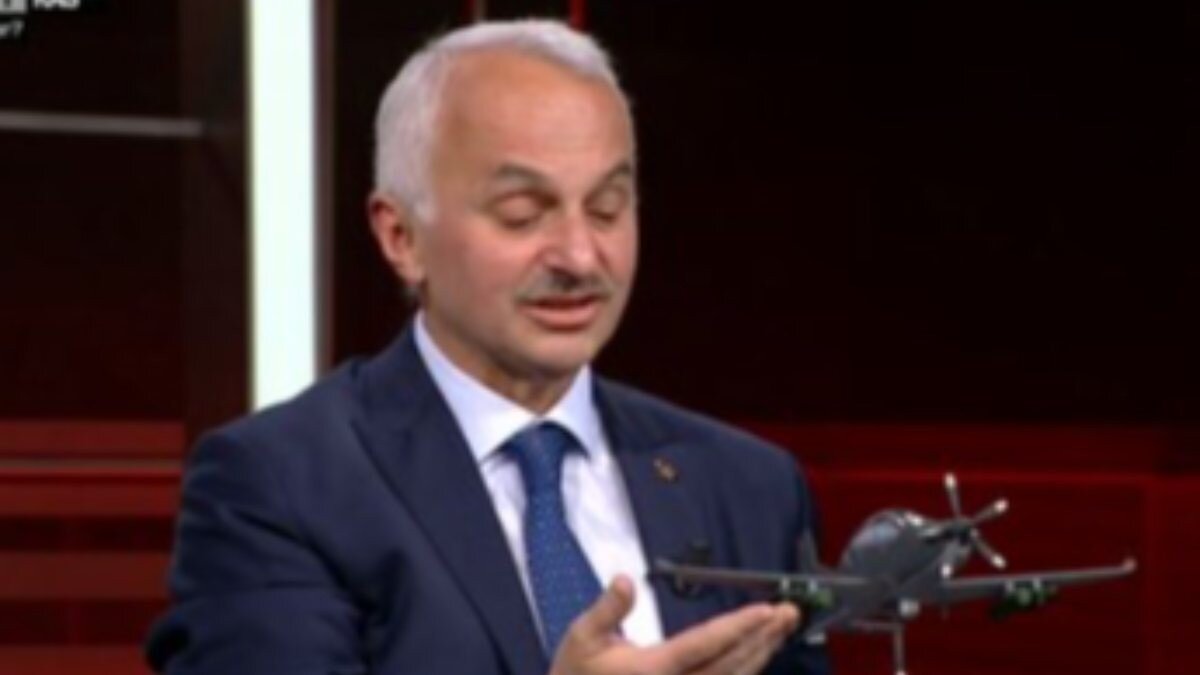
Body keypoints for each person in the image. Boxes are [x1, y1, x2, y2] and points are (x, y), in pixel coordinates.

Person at [145, 19, 831, 675]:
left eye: (607, 208)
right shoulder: (279, 486)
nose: (579, 255)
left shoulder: (751, 487)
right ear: (401, 237)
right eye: (522, 215)